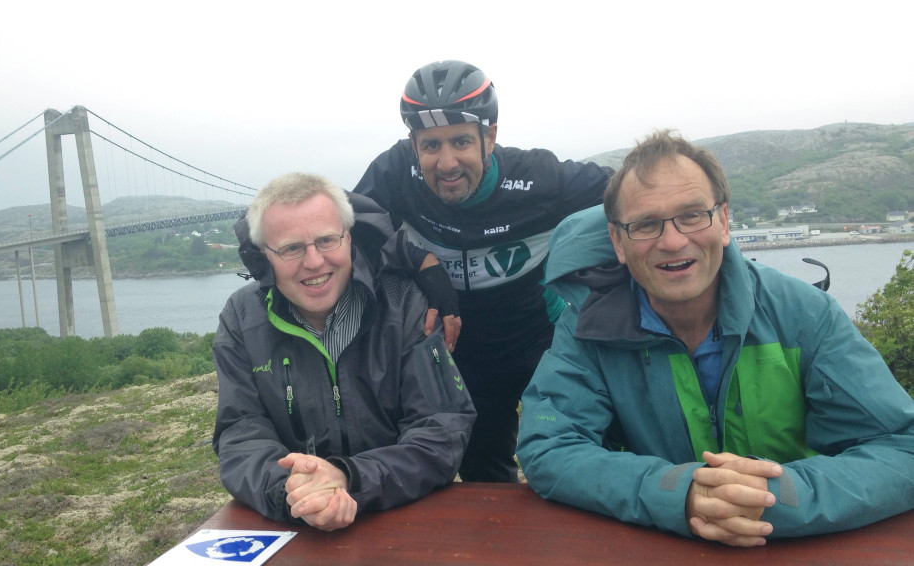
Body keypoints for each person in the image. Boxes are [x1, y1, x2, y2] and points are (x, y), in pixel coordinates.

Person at [516, 130, 914, 546]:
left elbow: (902, 446)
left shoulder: (803, 314)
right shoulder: (589, 328)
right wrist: (676, 492)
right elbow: (548, 446)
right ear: (618, 241)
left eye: (692, 215)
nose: (672, 241)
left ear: (723, 221)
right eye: (646, 224)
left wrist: (771, 497)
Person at [354, 60, 612, 482]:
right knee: (484, 474)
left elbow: (639, 194)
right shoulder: (396, 172)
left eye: (460, 141)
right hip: (463, 350)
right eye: (431, 145)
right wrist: (422, 262)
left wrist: (594, 274)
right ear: (413, 144)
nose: (446, 162)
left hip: (539, 340)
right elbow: (348, 234)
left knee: (583, 454)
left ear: (489, 137)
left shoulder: (540, 180)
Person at [211, 173, 475, 531]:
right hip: (297, 525)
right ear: (263, 257)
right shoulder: (242, 320)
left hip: (405, 518)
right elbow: (240, 433)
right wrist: (292, 490)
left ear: (349, 238)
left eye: (326, 240)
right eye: (291, 248)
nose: (315, 262)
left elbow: (443, 427)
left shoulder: (404, 304)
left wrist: (348, 478)